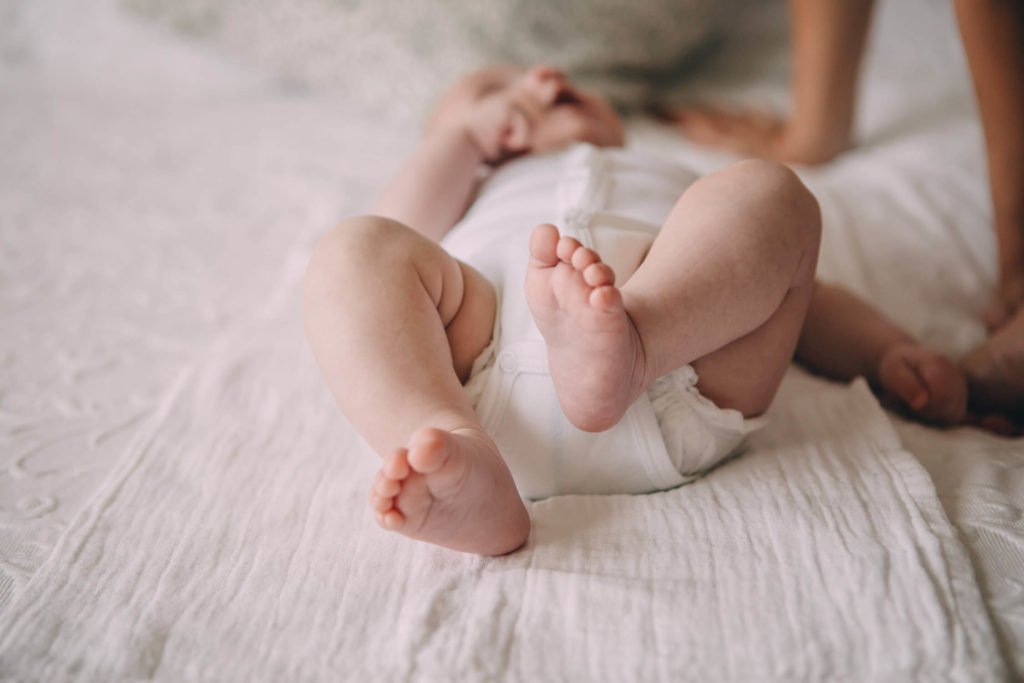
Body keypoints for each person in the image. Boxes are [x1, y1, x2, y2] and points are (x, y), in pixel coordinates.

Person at [303, 66, 966, 556]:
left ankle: (636, 341)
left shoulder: (667, 175)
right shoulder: (474, 183)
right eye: (492, 89)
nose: (539, 78)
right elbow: (397, 227)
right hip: (475, 379)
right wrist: (463, 141)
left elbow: (792, 290)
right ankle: (445, 448)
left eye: (551, 82)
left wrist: (885, 351)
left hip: (678, 367)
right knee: (356, 249)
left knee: (769, 194)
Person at [666, 0, 1024, 424]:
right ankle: (633, 347)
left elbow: (802, 300)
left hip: (679, 350)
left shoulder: (656, 182)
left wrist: (887, 353)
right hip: (630, 350)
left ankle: (635, 347)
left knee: (773, 248)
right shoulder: (603, 174)